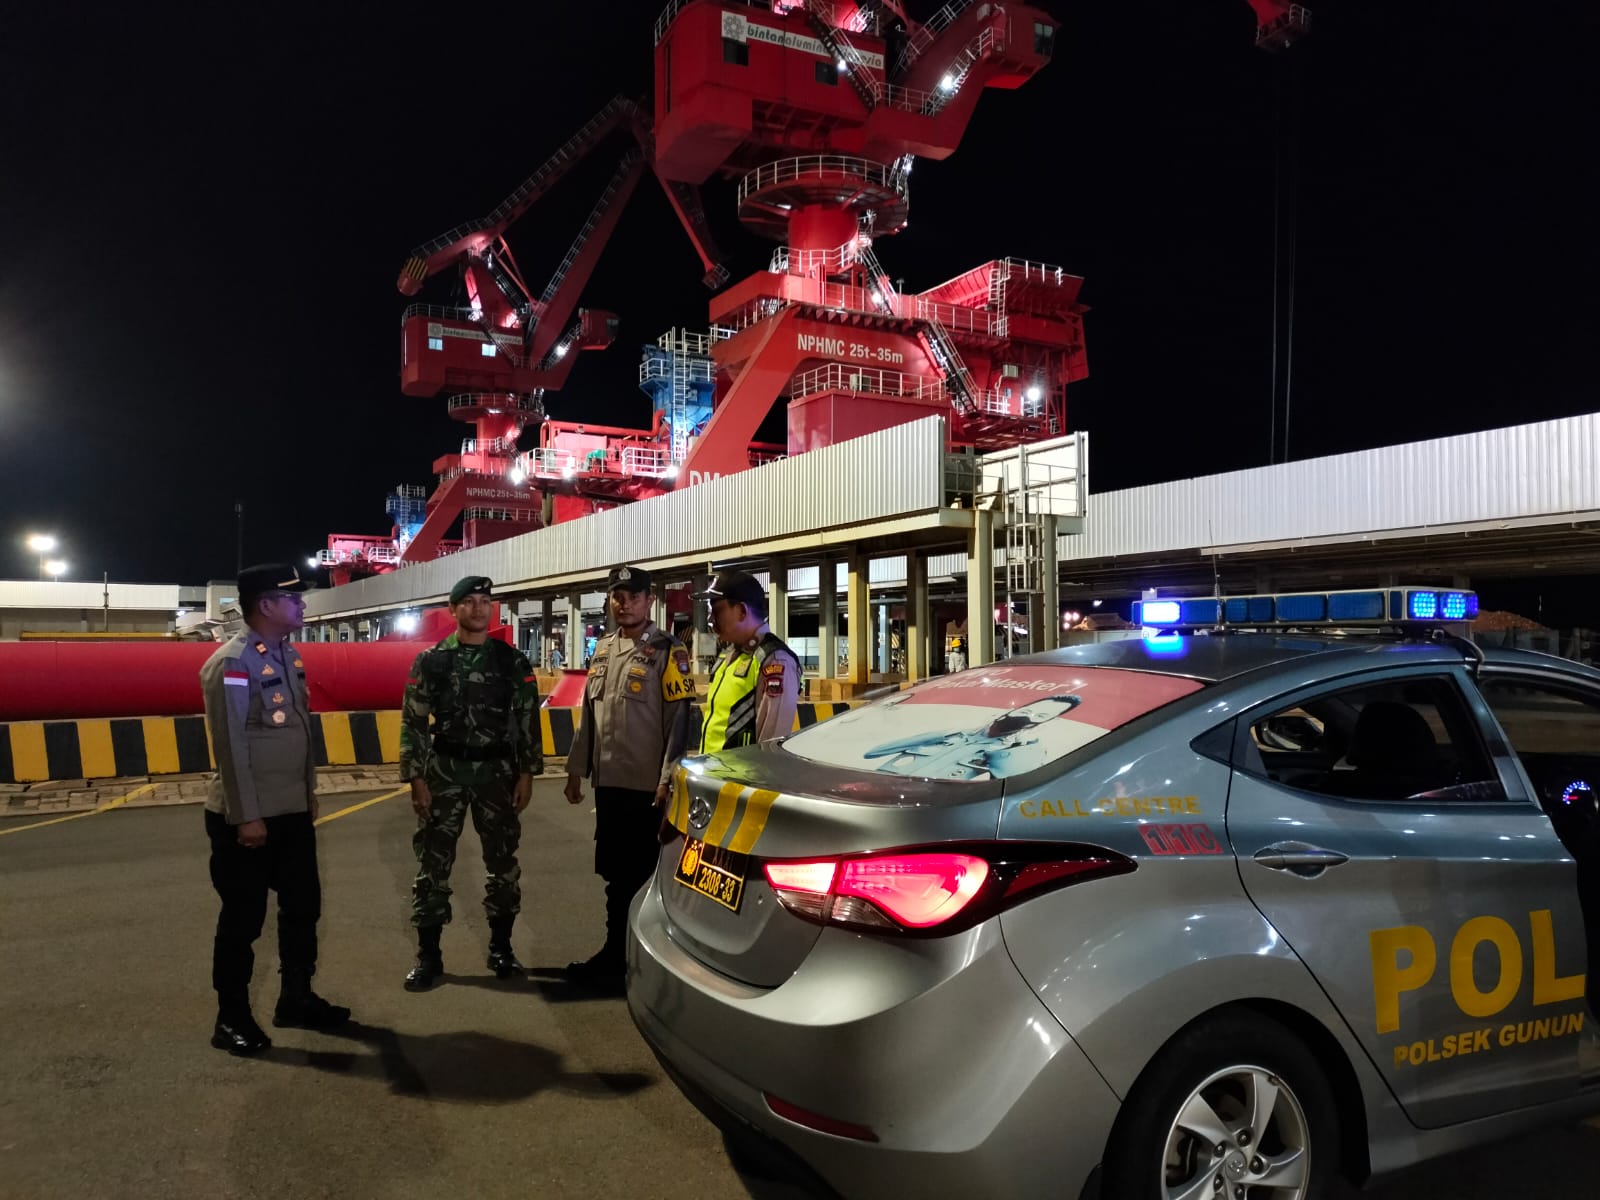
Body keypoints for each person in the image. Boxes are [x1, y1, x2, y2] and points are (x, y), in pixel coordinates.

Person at [200, 562, 349, 1056]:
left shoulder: (288, 655)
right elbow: (232, 745)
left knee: (303, 908)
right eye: (294, 599)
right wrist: (246, 816)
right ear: (266, 605)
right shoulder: (233, 663)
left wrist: (306, 797)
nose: (303, 604)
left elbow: (297, 734)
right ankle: (232, 1016)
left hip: (290, 814)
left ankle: (296, 997)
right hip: (248, 818)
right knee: (243, 921)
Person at [400, 576, 541, 991]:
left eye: (485, 601)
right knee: (433, 865)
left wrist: (527, 774)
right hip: (444, 772)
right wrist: (416, 780)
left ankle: (501, 948)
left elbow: (529, 720)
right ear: (453, 609)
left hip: (497, 775)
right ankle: (429, 957)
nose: (480, 609)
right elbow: (413, 723)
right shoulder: (431, 661)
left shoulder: (510, 661)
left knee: (502, 863)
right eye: (470, 602)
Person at [564, 565, 693, 986]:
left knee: (646, 876)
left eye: (633, 596)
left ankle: (651, 960)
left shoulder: (669, 652)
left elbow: (678, 723)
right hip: (610, 785)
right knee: (616, 877)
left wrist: (667, 778)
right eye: (618, 596)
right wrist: (575, 772)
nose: (625, 603)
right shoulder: (602, 650)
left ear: (649, 600)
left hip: (646, 788)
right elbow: (589, 716)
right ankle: (615, 955)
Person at [695, 569, 801, 754]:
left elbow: (771, 745)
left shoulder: (774, 660)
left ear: (742, 611)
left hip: (740, 778)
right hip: (715, 777)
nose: (711, 619)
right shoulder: (728, 655)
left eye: (716, 610)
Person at [863, 694, 1083, 780]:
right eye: (1028, 710)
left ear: (1041, 723)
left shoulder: (1011, 752)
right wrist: (936, 736)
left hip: (924, 807)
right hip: (879, 786)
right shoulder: (949, 733)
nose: (1028, 716)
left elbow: (1008, 783)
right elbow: (872, 753)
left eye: (1041, 716)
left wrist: (1018, 748)